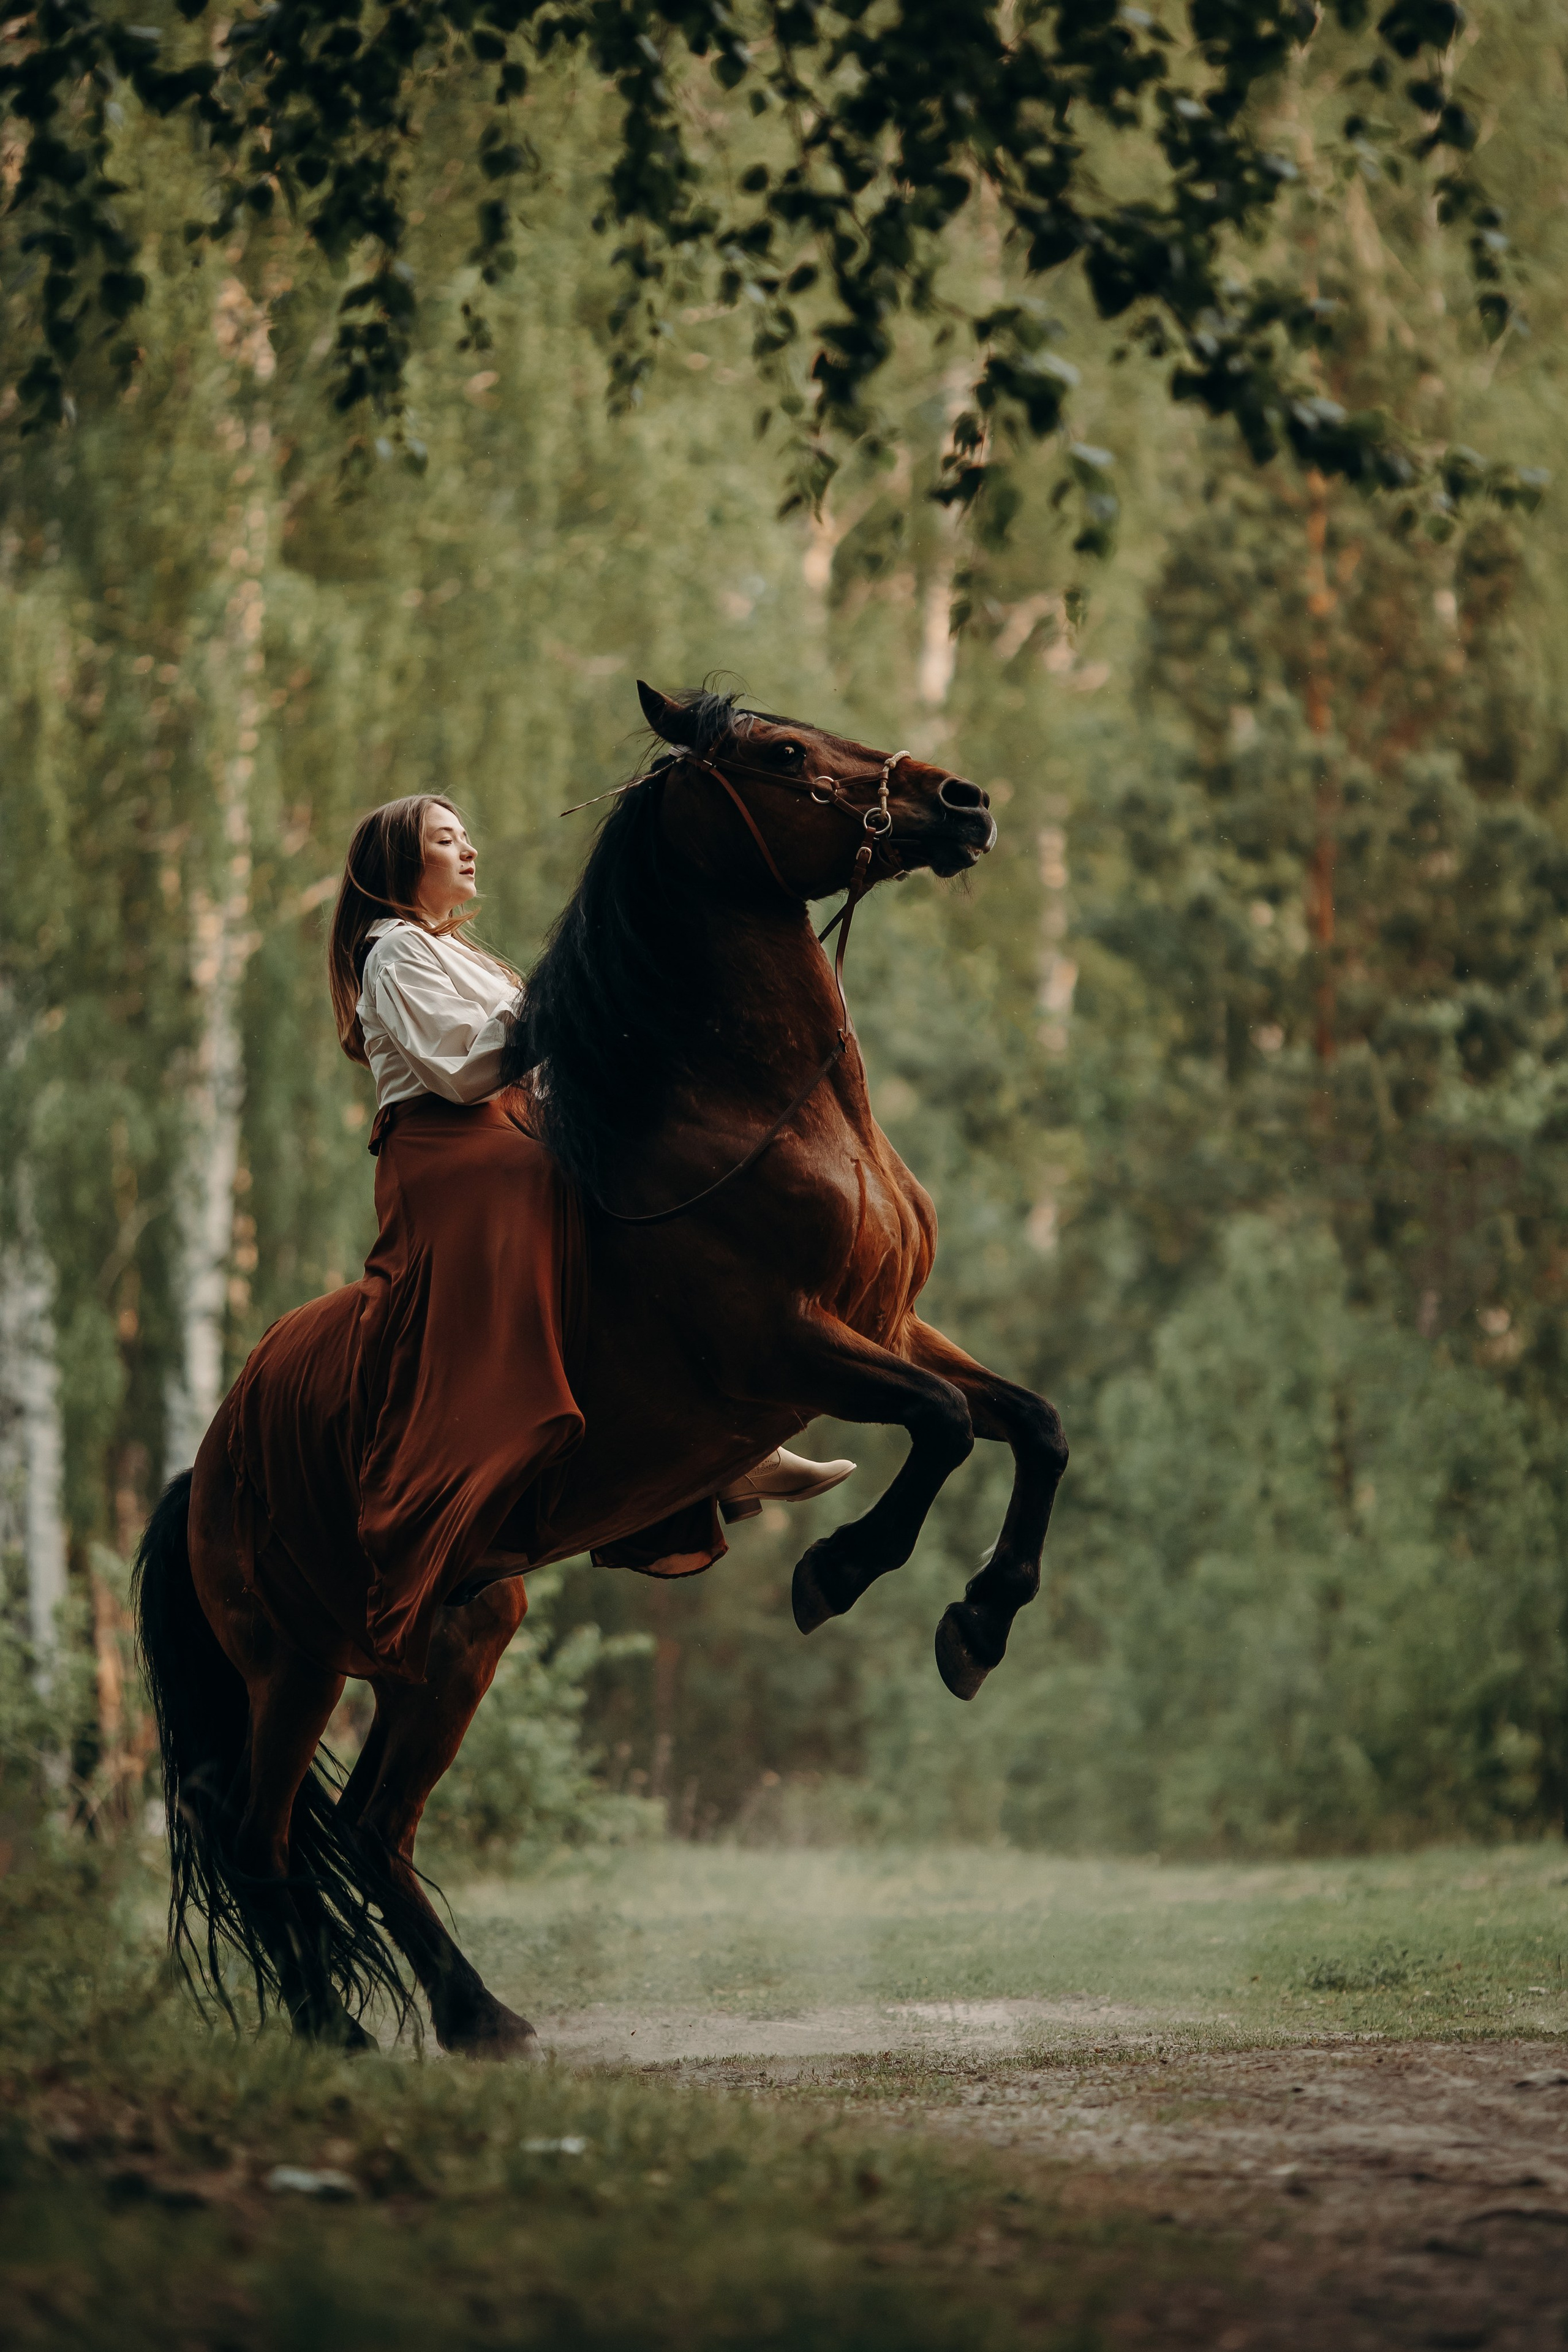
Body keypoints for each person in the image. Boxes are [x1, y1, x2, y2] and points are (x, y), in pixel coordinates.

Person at [311, 792, 852, 1671]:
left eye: (466, 833)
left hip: (517, 1132)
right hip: (457, 1155)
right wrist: (574, 994)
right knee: (569, 1188)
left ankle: (714, 1438)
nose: (469, 850)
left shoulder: (460, 952)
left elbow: (547, 1063)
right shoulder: (393, 949)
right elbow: (462, 1070)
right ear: (401, 865)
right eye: (447, 839)